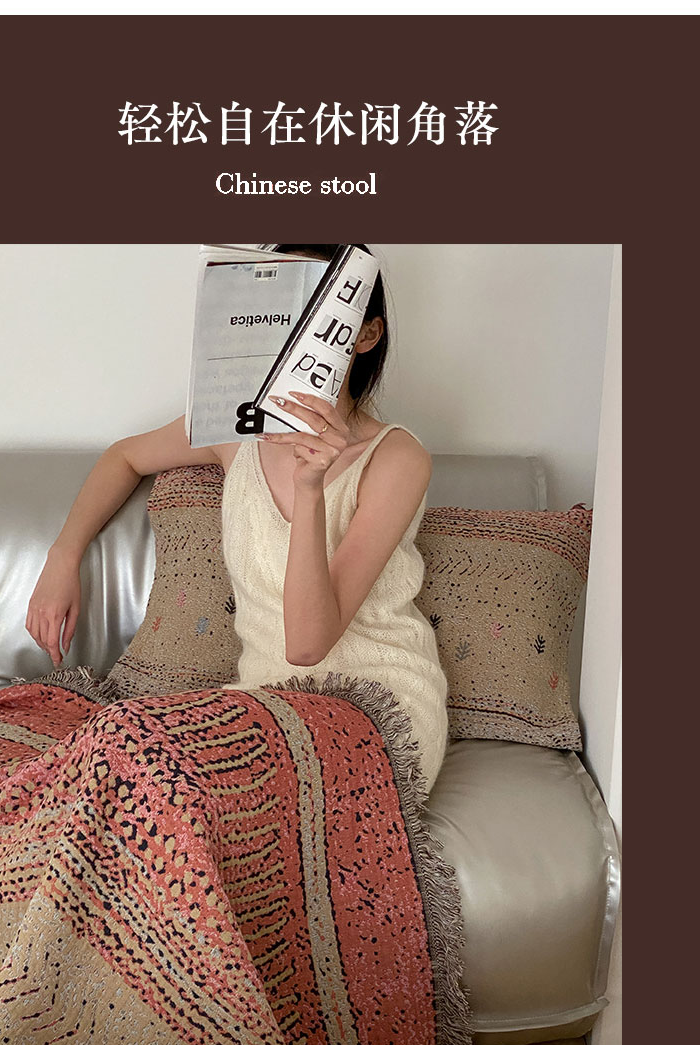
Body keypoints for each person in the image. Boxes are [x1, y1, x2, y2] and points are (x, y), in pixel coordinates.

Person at [26, 244, 449, 792]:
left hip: (378, 706)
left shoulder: (396, 458)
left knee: (148, 770)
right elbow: (124, 457)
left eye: (315, 316)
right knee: (110, 758)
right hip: (265, 703)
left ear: (366, 335)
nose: (293, 338)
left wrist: (310, 487)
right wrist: (64, 557)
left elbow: (307, 645)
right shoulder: (234, 428)